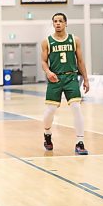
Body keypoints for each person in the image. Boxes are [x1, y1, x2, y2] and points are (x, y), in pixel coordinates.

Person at [41, 13, 90, 155]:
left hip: (71, 77)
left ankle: (80, 142)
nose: (58, 23)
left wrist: (86, 79)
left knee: (76, 108)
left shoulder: (75, 40)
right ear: (53, 24)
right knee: (50, 110)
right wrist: (48, 72)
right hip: (55, 79)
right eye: (55, 21)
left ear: (66, 23)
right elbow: (44, 61)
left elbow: (80, 61)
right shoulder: (47, 42)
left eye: (60, 21)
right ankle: (47, 134)